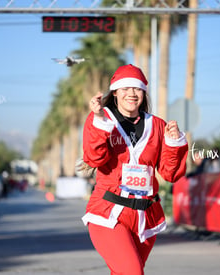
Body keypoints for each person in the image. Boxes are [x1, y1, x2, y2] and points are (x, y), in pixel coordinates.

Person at [81, 64, 188, 274]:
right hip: (109, 214)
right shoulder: (102, 119)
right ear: (115, 92)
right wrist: (99, 121)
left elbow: (170, 173)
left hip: (145, 216)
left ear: (144, 92)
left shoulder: (157, 125)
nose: (131, 93)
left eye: (137, 88)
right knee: (132, 272)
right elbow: (94, 158)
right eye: (125, 88)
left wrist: (174, 143)